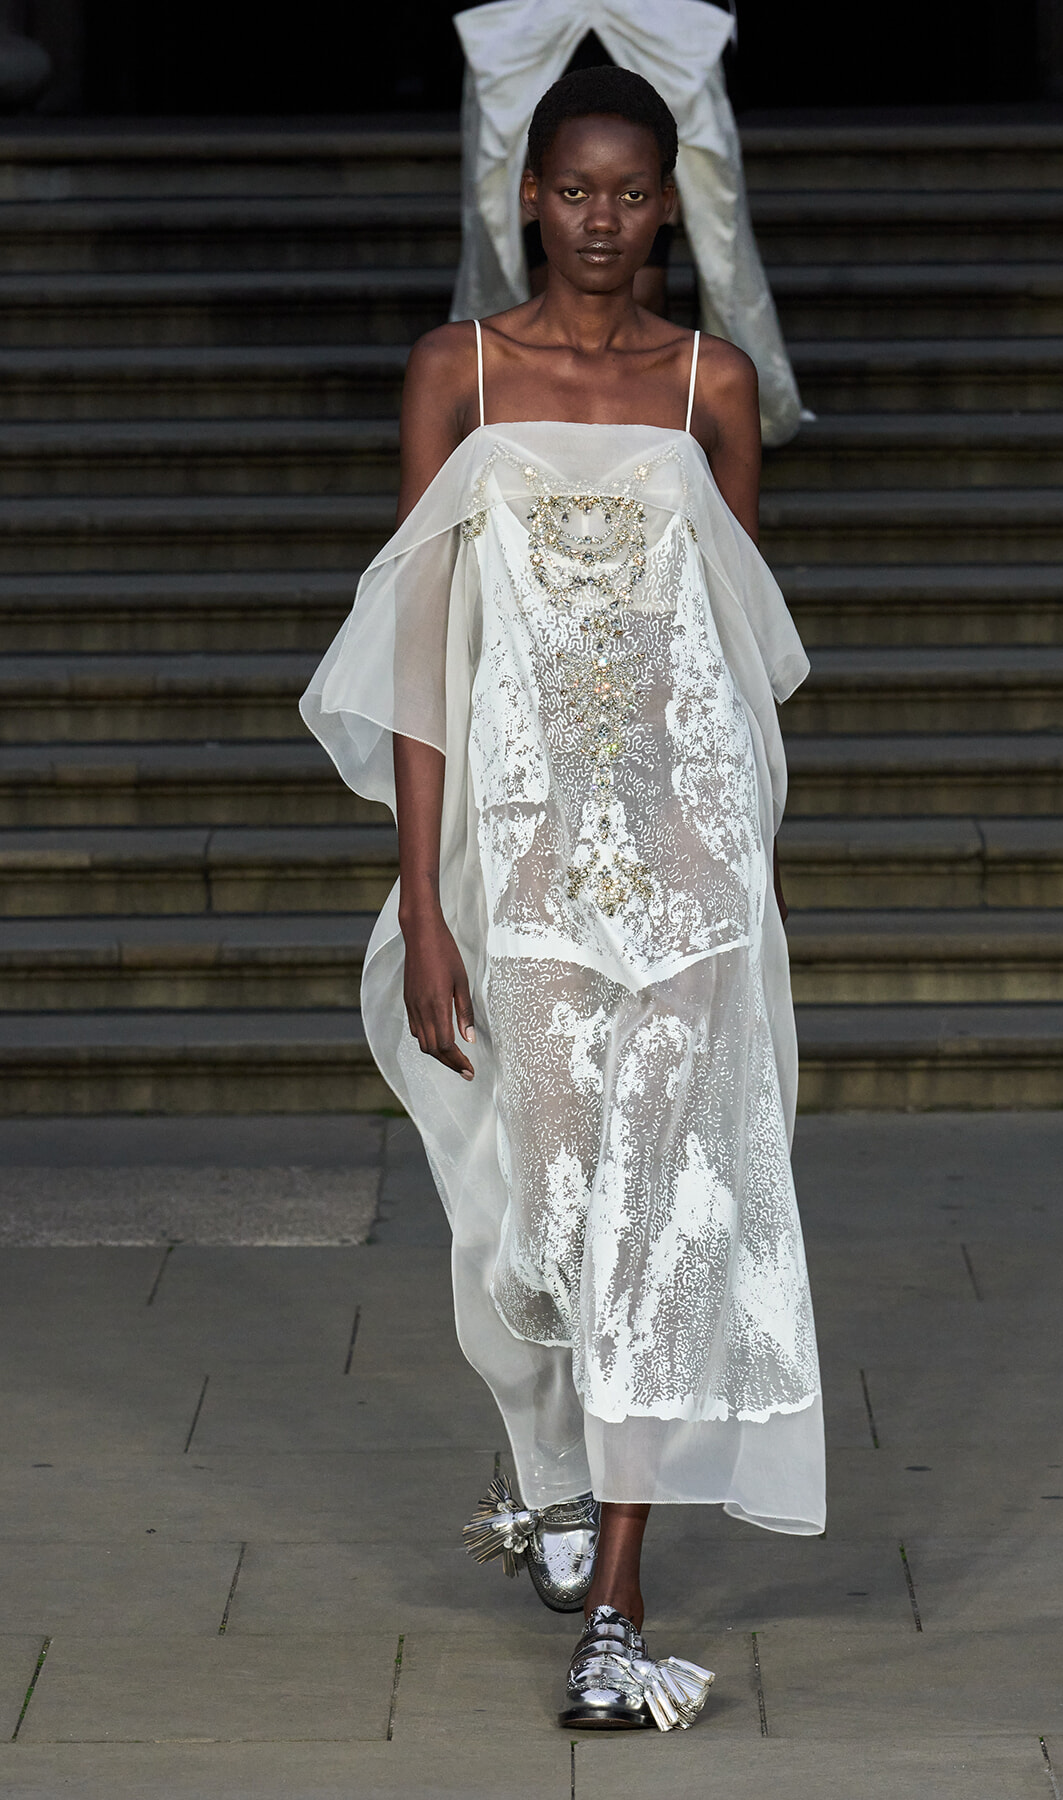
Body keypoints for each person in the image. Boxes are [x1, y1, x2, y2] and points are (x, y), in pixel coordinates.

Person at [302, 62, 823, 1732]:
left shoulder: (709, 385)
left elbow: (729, 665)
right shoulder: (456, 373)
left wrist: (732, 862)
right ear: (526, 199)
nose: (603, 216)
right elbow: (419, 657)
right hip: (510, 879)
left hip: (678, 881)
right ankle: (551, 1470)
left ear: (670, 206)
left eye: (632, 191)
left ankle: (619, 1601)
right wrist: (428, 904)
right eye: (575, 188)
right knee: (524, 1215)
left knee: (660, 1223)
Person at [450, 0, 811, 446]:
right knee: (556, 285)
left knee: (641, 289)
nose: (602, 220)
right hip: (534, 28)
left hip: (658, 26)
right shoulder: (441, 362)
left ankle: (667, 429)